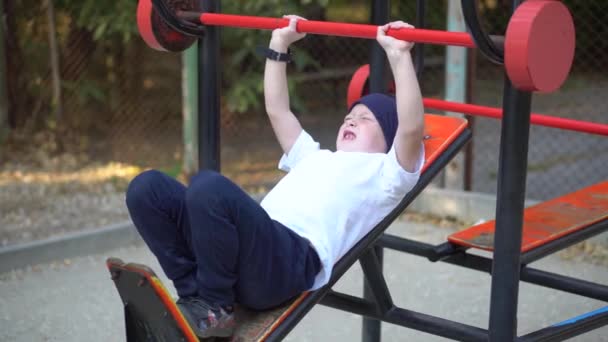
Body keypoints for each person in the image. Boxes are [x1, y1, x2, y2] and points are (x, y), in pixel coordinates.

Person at [125, 15, 424, 339]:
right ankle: (196, 296)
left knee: (208, 188)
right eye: (350, 116)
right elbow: (278, 110)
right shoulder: (315, 157)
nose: (351, 121)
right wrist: (278, 44)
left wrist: (398, 55)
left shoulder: (385, 176)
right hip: (248, 250)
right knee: (147, 189)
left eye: (366, 119)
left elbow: (410, 128)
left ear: (388, 142)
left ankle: (214, 307)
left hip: (285, 264)